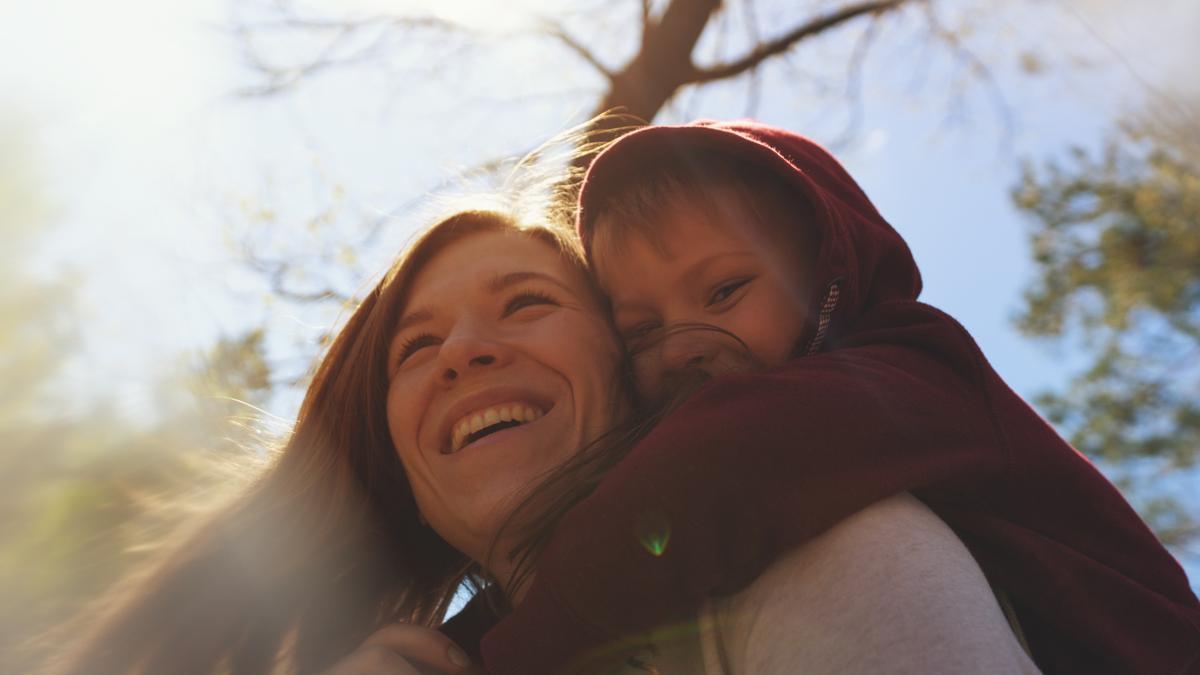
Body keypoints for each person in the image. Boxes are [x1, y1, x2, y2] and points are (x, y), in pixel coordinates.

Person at [50, 201, 1031, 675]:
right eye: (416, 346)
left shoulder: (816, 543)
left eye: (524, 303)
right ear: (398, 468)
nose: (463, 353)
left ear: (633, 363)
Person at [479, 120, 1200, 674]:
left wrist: (501, 650)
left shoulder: (909, 372)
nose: (681, 344)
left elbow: (722, 464)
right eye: (641, 330)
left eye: (725, 291)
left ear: (830, 270)